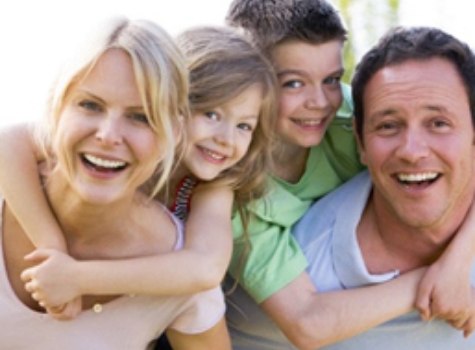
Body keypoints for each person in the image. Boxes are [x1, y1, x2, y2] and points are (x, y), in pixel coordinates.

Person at [224, 1, 475, 349]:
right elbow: (306, 323)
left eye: (330, 79)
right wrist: (428, 282)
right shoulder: (233, 186)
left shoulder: (346, 115)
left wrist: (457, 261)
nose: (318, 101)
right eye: (294, 83)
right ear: (245, 81)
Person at [0, 24, 277, 319]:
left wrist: (77, 278)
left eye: (244, 126)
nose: (226, 138)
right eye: (211, 114)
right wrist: (53, 247)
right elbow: (8, 143)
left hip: (143, 313)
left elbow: (206, 268)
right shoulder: (110, 144)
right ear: (170, 107)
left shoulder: (213, 187)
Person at [290, 25, 475, 349]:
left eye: (438, 124)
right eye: (388, 126)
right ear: (359, 142)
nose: (412, 151)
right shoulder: (301, 268)